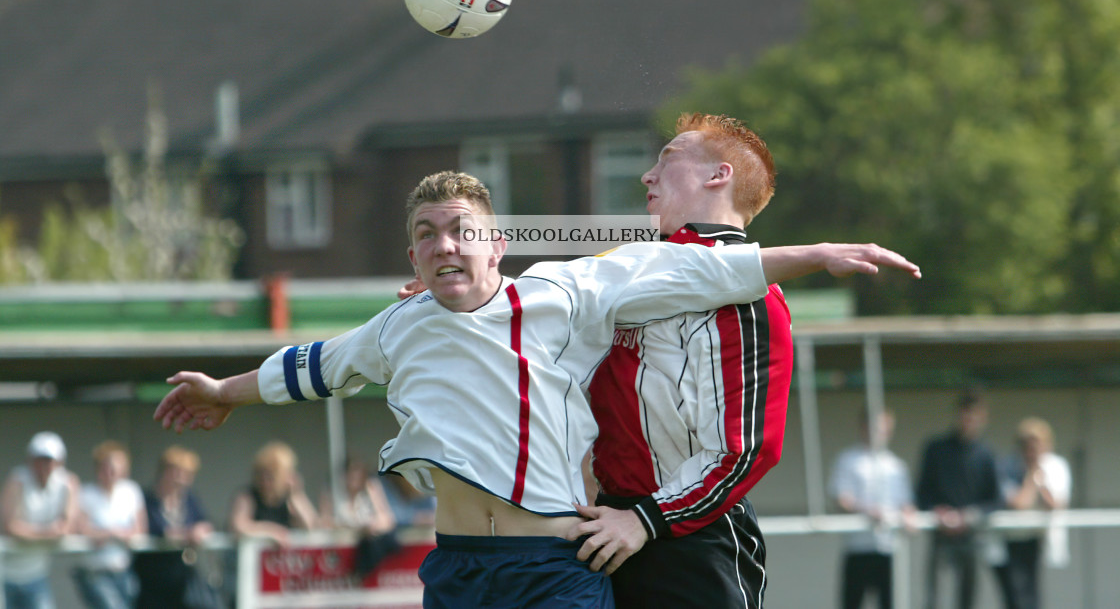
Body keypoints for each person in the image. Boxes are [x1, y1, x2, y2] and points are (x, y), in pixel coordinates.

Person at [155, 170, 921, 608]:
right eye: (426, 233)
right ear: (413, 255)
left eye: (461, 228)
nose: (444, 243)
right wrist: (223, 388)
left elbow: (697, 271)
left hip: (552, 569)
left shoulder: (560, 295)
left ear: (498, 243)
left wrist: (819, 252)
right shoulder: (400, 325)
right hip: (454, 568)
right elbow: (313, 365)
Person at [570, 113, 793, 609]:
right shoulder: (633, 268)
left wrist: (645, 520)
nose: (647, 176)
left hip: (688, 542)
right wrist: (465, 295)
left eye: (667, 159)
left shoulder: (751, 296)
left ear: (719, 176)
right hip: (609, 528)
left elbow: (746, 451)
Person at [916, 389, 1002, 609]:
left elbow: (996, 500)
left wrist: (969, 516)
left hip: (971, 535)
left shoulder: (986, 454)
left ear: (983, 418)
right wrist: (937, 512)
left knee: (968, 597)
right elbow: (921, 492)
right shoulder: (936, 449)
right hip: (940, 533)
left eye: (974, 416)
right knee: (933, 597)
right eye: (965, 414)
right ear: (957, 415)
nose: (969, 420)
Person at [829, 407, 916, 609]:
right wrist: (868, 511)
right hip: (858, 548)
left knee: (890, 602)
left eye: (886, 428)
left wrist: (909, 516)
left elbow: (905, 502)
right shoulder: (848, 459)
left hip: (888, 548)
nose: (882, 433)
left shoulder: (896, 465)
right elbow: (841, 498)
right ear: (864, 427)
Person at [993, 417, 1071, 609]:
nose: (1031, 451)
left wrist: (1040, 479)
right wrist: (1032, 476)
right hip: (1009, 538)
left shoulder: (1056, 466)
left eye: (1037, 445)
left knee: (1031, 596)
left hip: (1035, 538)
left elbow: (1055, 504)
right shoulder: (1007, 466)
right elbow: (1019, 503)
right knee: (1014, 597)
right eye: (1027, 446)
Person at [1, 431, 79, 609]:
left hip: (37, 574)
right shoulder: (17, 480)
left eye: (49, 460)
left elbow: (67, 528)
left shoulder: (67, 483)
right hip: (4, 574)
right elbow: (10, 527)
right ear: (30, 460)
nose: (44, 466)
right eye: (39, 459)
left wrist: (29, 533)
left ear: (60, 462)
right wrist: (49, 532)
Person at [133, 445, 217, 609]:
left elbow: (206, 522)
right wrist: (185, 534)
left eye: (187, 474)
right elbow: (154, 530)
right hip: (152, 578)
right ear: (163, 471)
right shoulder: (146, 499)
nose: (180, 479)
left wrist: (200, 530)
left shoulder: (189, 499)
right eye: (176, 472)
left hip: (181, 578)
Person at [72, 441, 147, 609]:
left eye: (115, 467)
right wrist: (113, 533)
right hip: (95, 572)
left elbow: (140, 529)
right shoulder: (86, 493)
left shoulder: (131, 491)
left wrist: (106, 534)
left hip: (124, 570)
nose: (110, 472)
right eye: (105, 467)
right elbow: (81, 530)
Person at [229, 442, 318, 548]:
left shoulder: (290, 498)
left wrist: (296, 495)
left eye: (271, 476)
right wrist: (271, 532)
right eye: (261, 474)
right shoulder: (247, 496)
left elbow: (310, 527)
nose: (265, 481)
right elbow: (238, 527)